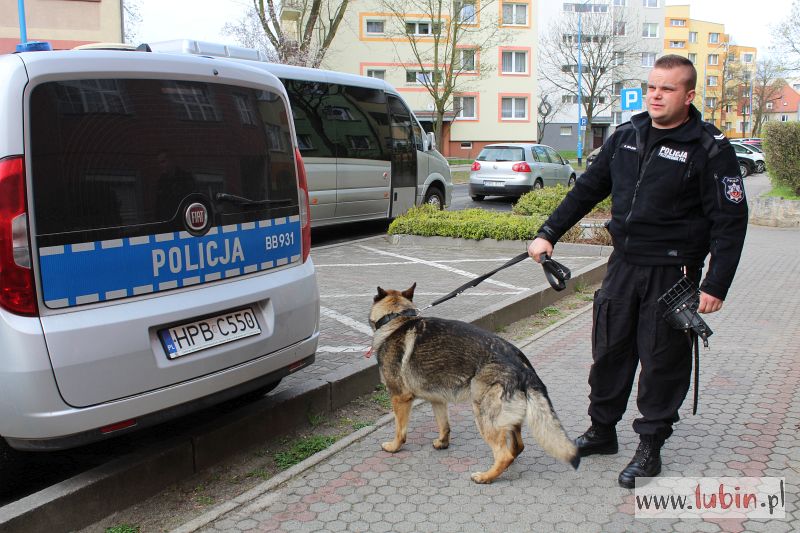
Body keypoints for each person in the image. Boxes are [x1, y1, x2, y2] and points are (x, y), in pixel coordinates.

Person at [527, 55, 748, 489]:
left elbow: (730, 221)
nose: (655, 95)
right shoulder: (627, 135)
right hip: (623, 265)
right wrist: (548, 232)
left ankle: (650, 446)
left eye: (666, 89)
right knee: (609, 351)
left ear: (688, 95)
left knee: (662, 360)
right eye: (651, 87)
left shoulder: (710, 147)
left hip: (674, 271)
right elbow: (588, 188)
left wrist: (715, 283)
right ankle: (602, 430)